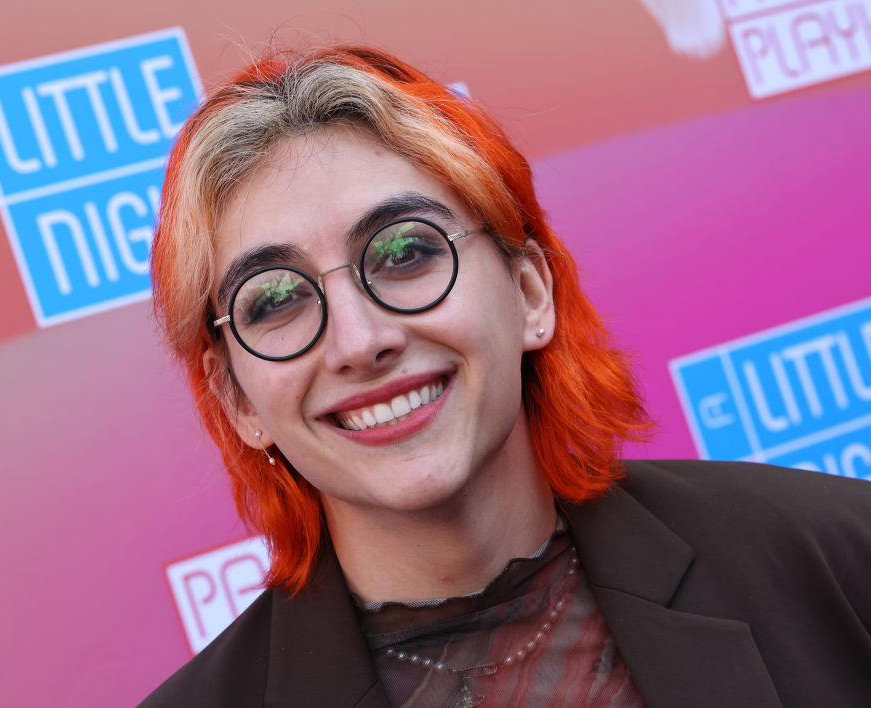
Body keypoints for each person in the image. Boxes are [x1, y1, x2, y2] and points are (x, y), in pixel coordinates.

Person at [139, 45, 871, 707]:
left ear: (530, 294)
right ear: (237, 397)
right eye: (276, 299)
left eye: (403, 253)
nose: (360, 342)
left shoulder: (838, 559)